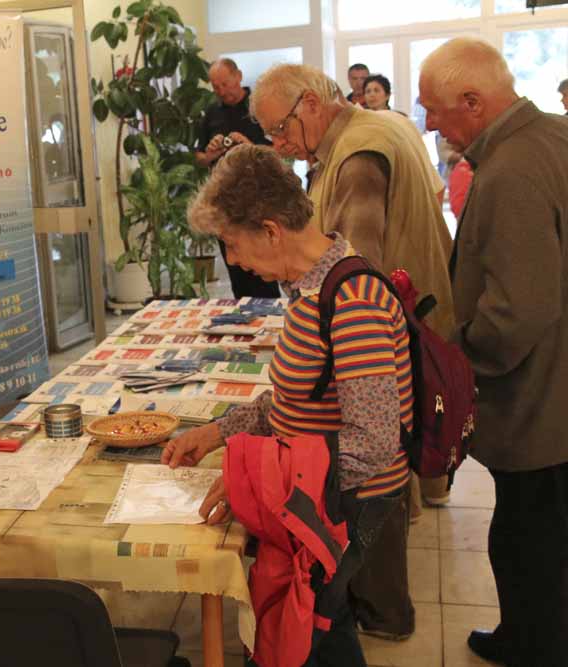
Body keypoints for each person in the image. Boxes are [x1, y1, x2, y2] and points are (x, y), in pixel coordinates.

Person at [164, 144, 413, 665]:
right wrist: (217, 432)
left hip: (350, 500)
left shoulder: (353, 301)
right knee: (325, 623)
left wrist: (261, 480)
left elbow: (372, 443)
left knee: (305, 627)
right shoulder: (308, 287)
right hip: (319, 493)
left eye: (232, 244)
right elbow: (296, 397)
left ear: (271, 230)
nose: (233, 260)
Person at [251, 62, 459, 641]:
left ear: (311, 104)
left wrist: (306, 332)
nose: (279, 144)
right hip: (416, 317)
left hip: (387, 328)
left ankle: (383, 613)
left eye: (281, 129)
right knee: (389, 459)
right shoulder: (380, 126)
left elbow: (353, 263)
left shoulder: (357, 156)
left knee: (376, 469)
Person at [420, 37, 568, 665]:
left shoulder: (510, 171)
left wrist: (460, 358)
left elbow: (518, 312)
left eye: (435, 109)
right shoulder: (555, 134)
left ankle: (532, 646)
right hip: (557, 381)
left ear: (473, 102)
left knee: (528, 539)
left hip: (538, 399)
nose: (430, 123)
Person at [194, 58, 279, 299]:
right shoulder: (212, 113)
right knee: (235, 269)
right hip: (224, 202)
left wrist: (249, 146)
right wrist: (211, 153)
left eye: (226, 84)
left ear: (239, 76)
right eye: (216, 87)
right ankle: (242, 312)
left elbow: (281, 151)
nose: (222, 91)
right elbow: (199, 157)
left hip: (259, 200)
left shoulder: (260, 107)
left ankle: (270, 312)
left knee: (263, 268)